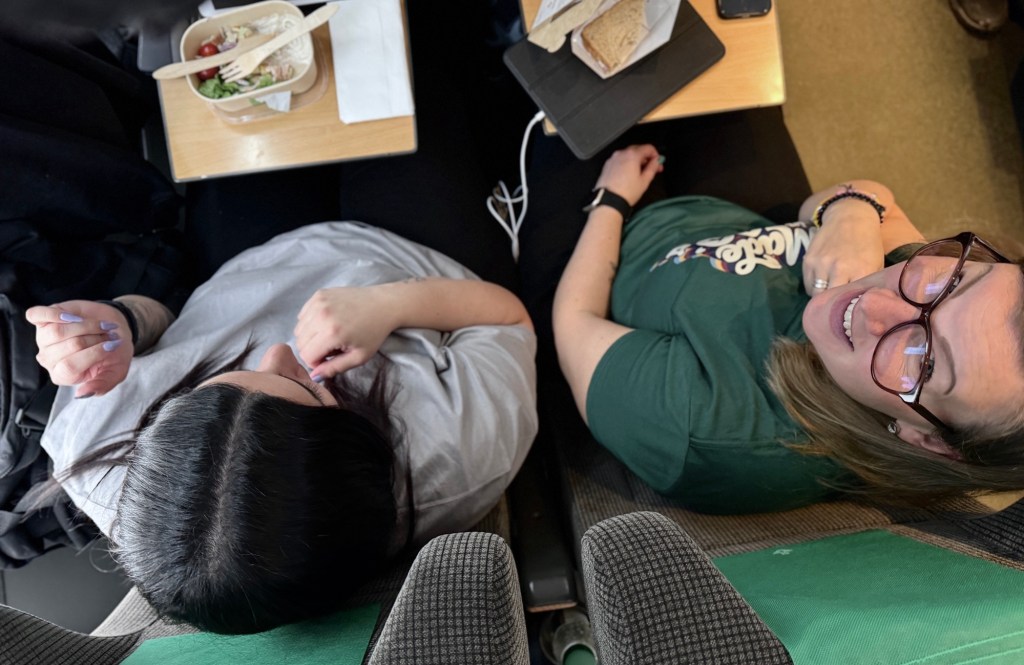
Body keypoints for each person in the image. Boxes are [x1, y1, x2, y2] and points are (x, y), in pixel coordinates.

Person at [26, 0, 540, 635]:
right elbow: (507, 321)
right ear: (360, 453)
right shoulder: (459, 456)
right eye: (305, 385)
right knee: (404, 57)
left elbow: (164, 317)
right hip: (415, 257)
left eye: (205, 383)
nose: (274, 351)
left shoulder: (101, 458)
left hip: (253, 261)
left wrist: (123, 324)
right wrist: (391, 304)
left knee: (241, 63)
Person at [552, 143, 1024, 514]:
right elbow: (880, 202)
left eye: (922, 361)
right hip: (709, 218)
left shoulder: (712, 428)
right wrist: (852, 211)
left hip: (606, 255)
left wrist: (610, 200)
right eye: (953, 281)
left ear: (929, 441)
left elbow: (574, 320)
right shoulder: (918, 283)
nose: (874, 303)